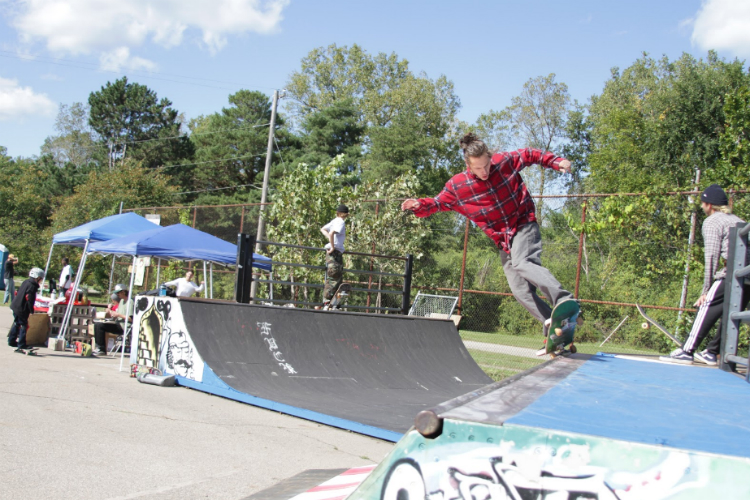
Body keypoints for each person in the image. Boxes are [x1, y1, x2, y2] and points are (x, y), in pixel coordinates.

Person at [401, 133, 575, 348]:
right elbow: (437, 203)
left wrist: (557, 162)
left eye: (486, 166)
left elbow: (530, 154)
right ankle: (554, 327)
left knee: (523, 263)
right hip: (503, 241)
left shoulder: (504, 162)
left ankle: (564, 299)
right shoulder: (458, 187)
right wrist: (419, 205)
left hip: (523, 224)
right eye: (478, 168)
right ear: (468, 165)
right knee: (520, 291)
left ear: (490, 158)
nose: (484, 172)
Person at [661, 184, 750, 365]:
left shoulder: (713, 221)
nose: (702, 207)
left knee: (707, 305)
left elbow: (711, 256)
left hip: (732, 272)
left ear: (709, 204)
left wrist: (706, 290)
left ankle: (687, 350)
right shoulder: (738, 220)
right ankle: (712, 352)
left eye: (703, 203)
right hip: (747, 275)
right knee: (730, 313)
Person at [318, 204, 349, 309]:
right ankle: (327, 302)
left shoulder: (334, 220)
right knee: (334, 277)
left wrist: (331, 242)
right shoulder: (340, 222)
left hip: (334, 253)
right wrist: (332, 246)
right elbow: (331, 233)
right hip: (335, 253)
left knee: (334, 276)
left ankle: (330, 302)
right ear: (345, 214)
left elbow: (323, 229)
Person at [9, 268, 44, 350]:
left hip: (16, 305)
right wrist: (31, 310)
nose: (41, 280)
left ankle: (11, 340)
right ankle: (22, 344)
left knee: (16, 323)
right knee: (23, 325)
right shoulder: (32, 286)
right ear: (37, 277)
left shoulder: (26, 282)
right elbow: (29, 299)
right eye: (40, 279)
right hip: (21, 308)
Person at [93, 283, 134, 355]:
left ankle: (101, 349)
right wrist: (111, 312)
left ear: (123, 292)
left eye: (118, 293)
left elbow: (131, 319)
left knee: (100, 326)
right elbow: (118, 314)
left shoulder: (130, 302)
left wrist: (118, 314)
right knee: (98, 324)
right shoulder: (121, 301)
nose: (117, 295)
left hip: (124, 326)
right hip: (118, 323)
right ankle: (100, 348)